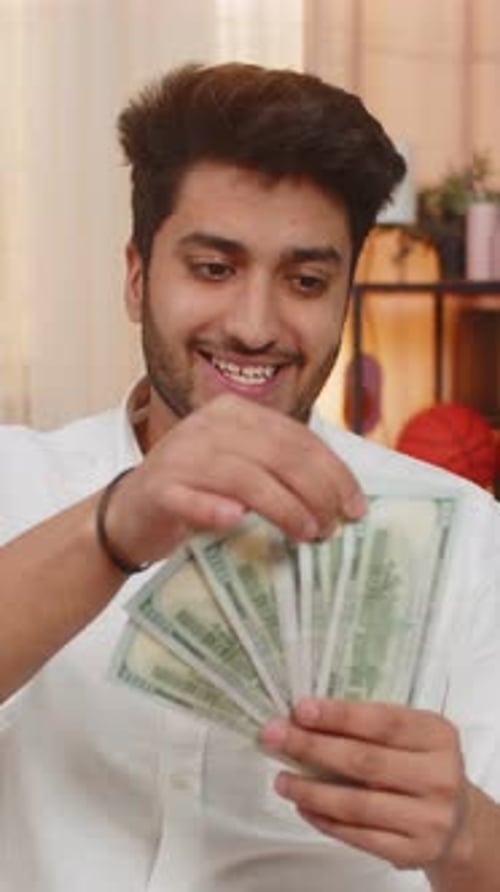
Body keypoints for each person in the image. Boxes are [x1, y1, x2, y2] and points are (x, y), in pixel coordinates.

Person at [0, 61, 499, 892]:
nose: (256, 326)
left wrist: (464, 838)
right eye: (213, 268)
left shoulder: (466, 533)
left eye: (306, 281)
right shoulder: (17, 481)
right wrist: (115, 525)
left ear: (345, 296)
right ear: (136, 276)